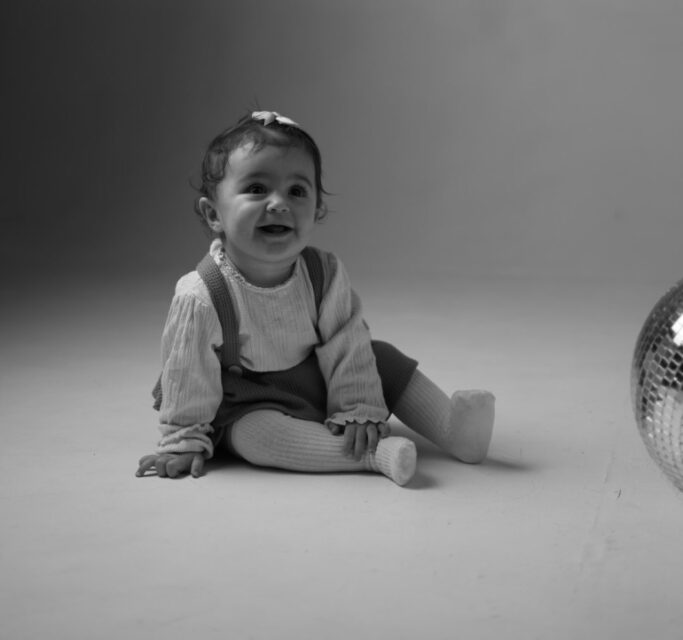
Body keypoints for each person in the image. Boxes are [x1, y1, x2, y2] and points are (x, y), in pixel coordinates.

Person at [137, 111, 495, 487]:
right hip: (250, 400)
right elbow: (187, 374)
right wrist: (183, 441)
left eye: (297, 191)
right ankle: (373, 455)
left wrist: (358, 408)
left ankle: (453, 428)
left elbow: (346, 341)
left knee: (382, 358)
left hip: (320, 379)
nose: (279, 204)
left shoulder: (324, 273)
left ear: (318, 210)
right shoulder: (201, 294)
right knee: (257, 437)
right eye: (256, 188)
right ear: (214, 214)